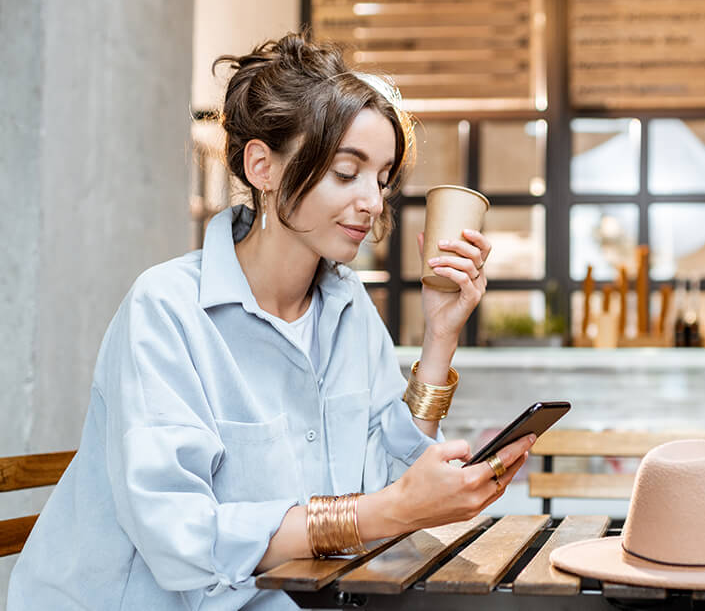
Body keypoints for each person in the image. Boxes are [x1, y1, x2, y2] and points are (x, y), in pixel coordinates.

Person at [8, 32, 535, 610]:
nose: (373, 201)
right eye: (345, 172)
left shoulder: (347, 306)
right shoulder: (165, 309)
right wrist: (390, 509)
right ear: (262, 166)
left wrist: (441, 336)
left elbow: (385, 489)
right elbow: (180, 538)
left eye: (381, 179)